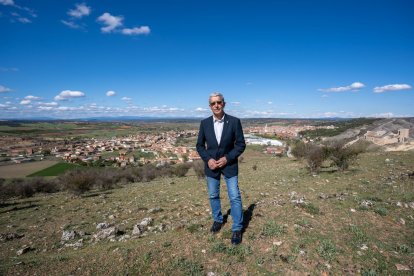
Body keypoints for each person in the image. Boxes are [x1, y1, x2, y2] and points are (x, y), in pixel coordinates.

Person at [196, 92, 246, 245]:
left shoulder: (234, 122)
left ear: (224, 103)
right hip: (211, 167)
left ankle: (237, 228)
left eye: (219, 102)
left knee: (235, 197)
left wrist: (227, 158)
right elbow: (199, 146)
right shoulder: (204, 123)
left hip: (229, 166)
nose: (216, 105)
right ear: (209, 106)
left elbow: (240, 144)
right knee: (213, 195)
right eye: (213, 103)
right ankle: (218, 220)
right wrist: (208, 159)